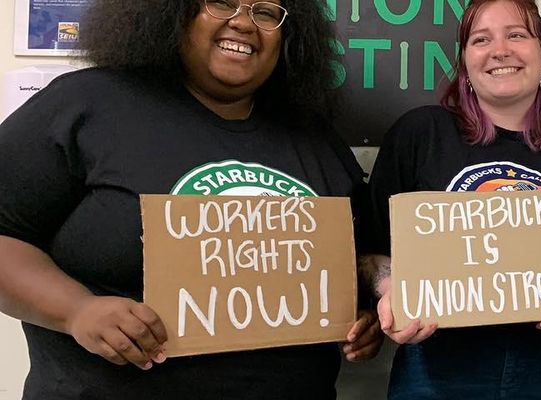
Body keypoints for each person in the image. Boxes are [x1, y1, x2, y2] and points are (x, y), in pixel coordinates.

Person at [0, 0, 383, 398]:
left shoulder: (314, 137)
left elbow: (350, 262)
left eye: (266, 12)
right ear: (174, 13)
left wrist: (359, 318)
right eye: (221, 3)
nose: (244, 23)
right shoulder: (89, 104)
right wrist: (77, 311)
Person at [360, 0, 541, 398]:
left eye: (517, 35)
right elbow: (367, 251)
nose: (500, 50)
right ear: (465, 64)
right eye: (481, 40)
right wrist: (391, 288)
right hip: (438, 369)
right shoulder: (422, 134)